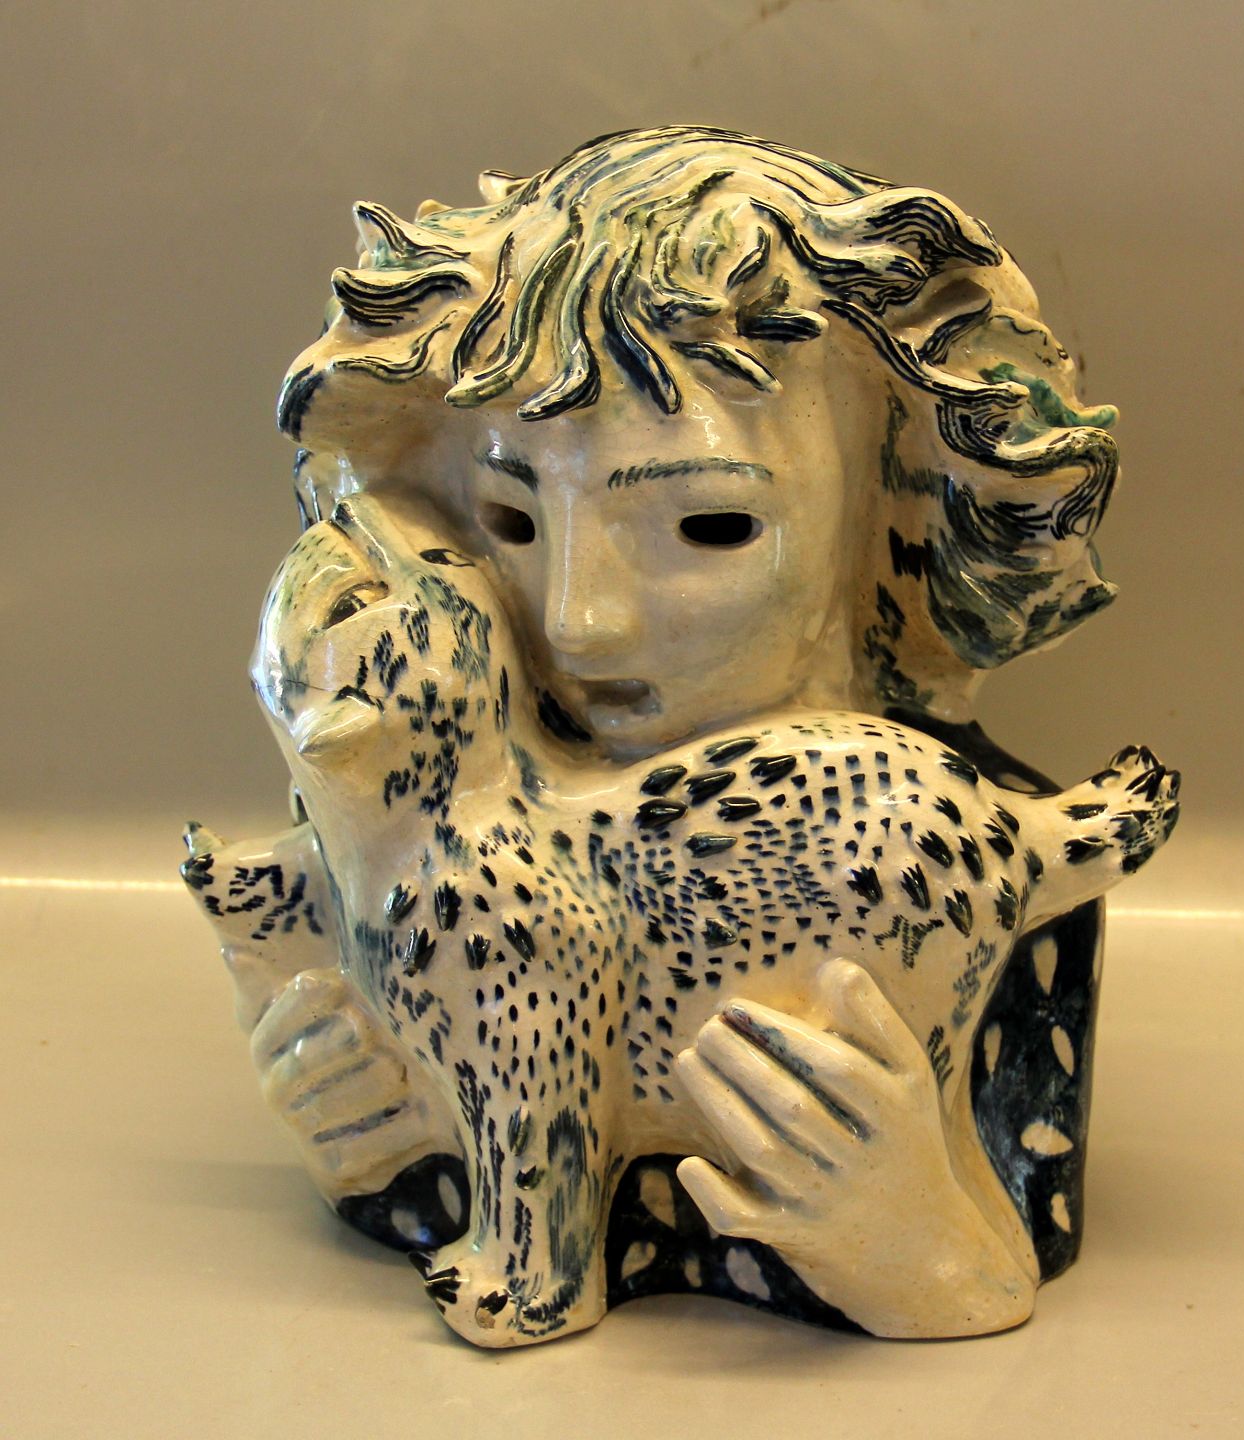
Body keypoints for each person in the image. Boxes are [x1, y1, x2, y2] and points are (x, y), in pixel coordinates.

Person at [230, 127, 1121, 1333]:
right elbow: (421, 1155)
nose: (578, 621)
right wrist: (363, 1131)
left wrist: (921, 1238)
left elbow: (1006, 1232)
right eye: (511, 518)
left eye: (708, 527)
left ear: (901, 513)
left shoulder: (947, 847)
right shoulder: (409, 820)